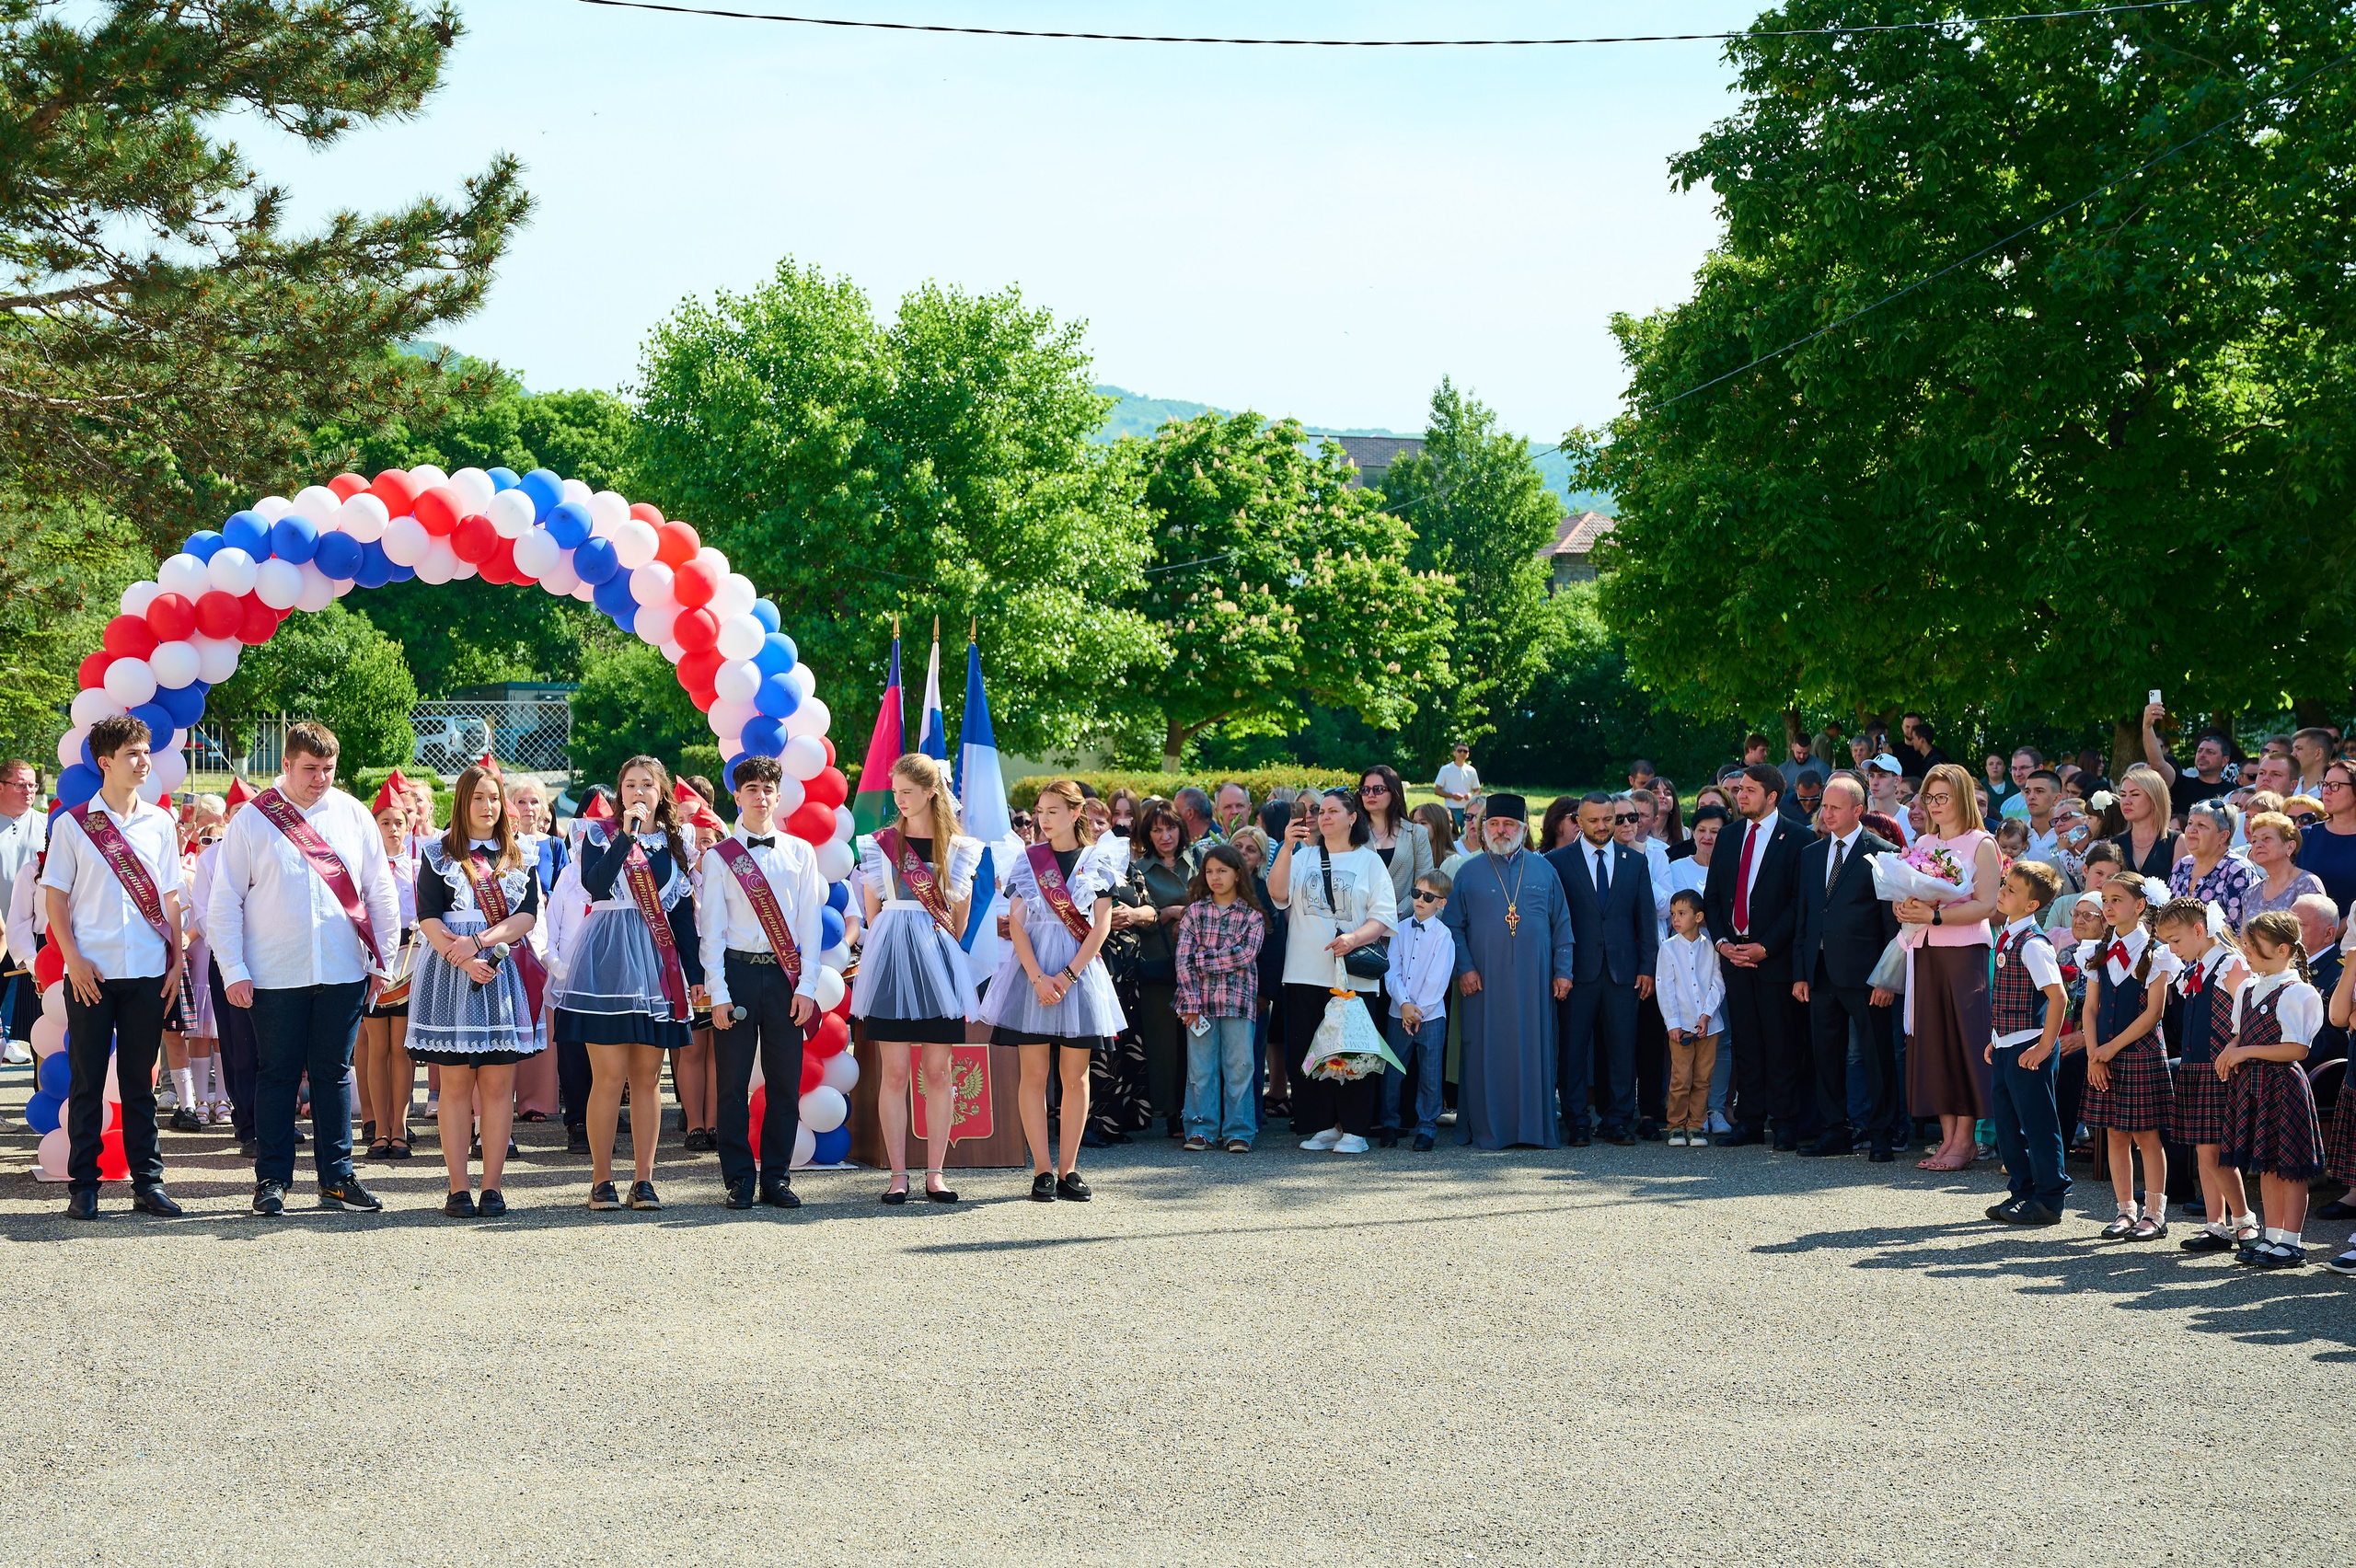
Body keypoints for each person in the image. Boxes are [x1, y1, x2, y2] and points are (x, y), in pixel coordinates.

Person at [209, 721, 399, 1216]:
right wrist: (233, 968)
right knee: (276, 1075)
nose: (320, 779)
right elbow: (225, 900)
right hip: (273, 972)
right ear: (286, 764)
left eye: (328, 769)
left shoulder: (354, 814)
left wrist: (383, 960)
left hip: (343, 969)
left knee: (333, 1075)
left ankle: (337, 1179)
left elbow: (379, 890)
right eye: (310, 768)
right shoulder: (253, 820)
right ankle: (272, 1179)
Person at [40, 717, 186, 1219]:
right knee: (86, 1081)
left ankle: (149, 1183)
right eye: (132, 754)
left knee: (140, 1082)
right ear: (104, 762)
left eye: (146, 752)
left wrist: (177, 959)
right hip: (91, 974)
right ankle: (83, 1185)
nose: (144, 762)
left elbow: (171, 896)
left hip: (147, 970)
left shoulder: (161, 823)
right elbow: (55, 899)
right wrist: (73, 960)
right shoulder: (72, 824)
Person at [546, 755, 703, 1213]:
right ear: (620, 792)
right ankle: (601, 1180)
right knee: (609, 1076)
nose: (638, 791)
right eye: (630, 784)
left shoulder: (677, 842)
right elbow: (596, 885)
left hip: (655, 964)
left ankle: (644, 1180)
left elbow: (681, 917)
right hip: (606, 960)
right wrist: (626, 837)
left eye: (647, 784)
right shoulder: (598, 834)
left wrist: (695, 976)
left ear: (661, 792)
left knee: (648, 1078)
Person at [408, 764, 543, 1218]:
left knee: (498, 1084)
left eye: (493, 797)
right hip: (450, 973)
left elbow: (527, 916)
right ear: (462, 802)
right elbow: (429, 916)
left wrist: (481, 943)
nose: (487, 806)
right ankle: (458, 1188)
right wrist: (463, 958)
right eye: (478, 798)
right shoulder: (438, 853)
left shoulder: (518, 854)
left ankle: (492, 1187)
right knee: (455, 1085)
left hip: (498, 969)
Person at [696, 754, 826, 1213]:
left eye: (768, 789)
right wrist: (718, 992)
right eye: (751, 789)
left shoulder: (801, 852)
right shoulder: (719, 857)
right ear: (737, 795)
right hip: (737, 974)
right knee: (731, 1085)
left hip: (786, 977)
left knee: (784, 1083)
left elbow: (810, 925)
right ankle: (738, 1180)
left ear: (779, 795)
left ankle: (776, 1178)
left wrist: (807, 985)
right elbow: (711, 931)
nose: (760, 797)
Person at [855, 753, 982, 1204]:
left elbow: (959, 923)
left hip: (938, 965)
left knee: (938, 1071)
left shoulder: (959, 849)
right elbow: (874, 914)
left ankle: (935, 1174)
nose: (900, 800)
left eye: (907, 792)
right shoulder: (879, 845)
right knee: (893, 1073)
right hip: (891, 962)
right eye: (896, 792)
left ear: (931, 791)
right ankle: (897, 1175)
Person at [990, 778, 1126, 1193]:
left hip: (1079, 973)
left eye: (1053, 812)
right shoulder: (1027, 860)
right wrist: (1037, 978)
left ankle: (1069, 1169)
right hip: (1032, 972)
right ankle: (1042, 1170)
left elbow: (1101, 926)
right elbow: (1017, 924)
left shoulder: (1098, 858)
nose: (1044, 820)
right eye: (1040, 812)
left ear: (1075, 812)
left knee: (1075, 1076)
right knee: (1033, 1074)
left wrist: (1067, 976)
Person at [1268, 786, 1401, 1153]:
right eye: (1319, 811)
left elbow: (1384, 916)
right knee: (1308, 1050)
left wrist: (1354, 939)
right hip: (1303, 972)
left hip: (1352, 976)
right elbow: (1277, 894)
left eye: (1331, 811)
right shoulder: (1303, 856)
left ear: (1352, 817)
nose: (1322, 817)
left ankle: (1355, 1130)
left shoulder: (1369, 862)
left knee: (1355, 1053)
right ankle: (1322, 1126)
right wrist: (1286, 847)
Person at [1439, 797, 1573, 1148]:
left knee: (1533, 1050)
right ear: (1483, 829)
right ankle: (1489, 1129)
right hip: (1483, 983)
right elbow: (1452, 926)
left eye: (1509, 824)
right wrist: (1465, 968)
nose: (1501, 830)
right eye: (1494, 823)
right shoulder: (1468, 872)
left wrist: (1563, 972)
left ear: (1523, 829)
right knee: (1484, 1051)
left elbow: (1562, 925)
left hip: (1535, 982)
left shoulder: (1544, 870)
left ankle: (1533, 1130)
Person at [1894, 763, 2004, 1172]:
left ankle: (1966, 1141)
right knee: (1934, 1043)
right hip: (1924, 951)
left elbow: (1987, 905)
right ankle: (1947, 1139)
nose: (1936, 805)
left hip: (1963, 952)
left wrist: (1936, 915)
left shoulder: (1982, 843)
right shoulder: (1923, 841)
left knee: (1963, 1043)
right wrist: (1903, 906)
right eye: (1930, 797)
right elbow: (1909, 891)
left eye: (1944, 797)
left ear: (1962, 798)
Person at [1791, 775, 1900, 1159]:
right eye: (1824, 806)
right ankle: (1834, 1131)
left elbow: (1892, 926)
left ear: (1858, 810)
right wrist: (1801, 973)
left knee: (1877, 1054)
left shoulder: (1884, 853)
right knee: (1826, 1054)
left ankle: (1882, 1134)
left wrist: (1887, 979)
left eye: (1835, 807)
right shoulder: (1811, 854)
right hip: (1820, 971)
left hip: (1867, 975)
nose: (1827, 813)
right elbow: (1805, 916)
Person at [1703, 765, 1808, 1149]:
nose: (1741, 795)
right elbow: (1713, 897)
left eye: (1749, 790)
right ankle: (1749, 1121)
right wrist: (1722, 943)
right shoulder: (1729, 836)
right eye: (1740, 789)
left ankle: (1784, 1123)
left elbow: (1798, 903)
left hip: (1773, 959)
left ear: (1772, 796)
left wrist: (1766, 947)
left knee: (1781, 1043)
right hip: (1734, 956)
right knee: (1745, 1042)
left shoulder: (1798, 838)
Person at [2217, 910, 2329, 1268]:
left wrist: (2244, 1051)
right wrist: (2231, 1048)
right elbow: (2240, 1033)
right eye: (2245, 944)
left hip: (2282, 1085)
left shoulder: (2298, 992)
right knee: (2266, 1164)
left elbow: (2296, 1049)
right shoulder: (2248, 987)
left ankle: (2292, 1243)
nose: (2246, 951)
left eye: (2254, 945)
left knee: (2290, 1168)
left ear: (2283, 949)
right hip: (2253, 1086)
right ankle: (2273, 1236)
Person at [1545, 792, 1657, 1147]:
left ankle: (1617, 1120)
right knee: (1573, 1050)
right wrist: (1557, 969)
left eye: (1609, 819)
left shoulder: (1634, 862)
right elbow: (1552, 921)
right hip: (1576, 973)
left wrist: (1647, 968)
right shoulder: (1557, 862)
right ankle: (1577, 1120)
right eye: (1593, 820)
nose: (1603, 826)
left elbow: (1646, 920)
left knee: (1622, 1050)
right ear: (1579, 822)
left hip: (1624, 973)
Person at [2151, 898, 2257, 1254]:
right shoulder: (2198, 967)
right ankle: (2217, 1225)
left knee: (2215, 1153)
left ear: (2199, 930)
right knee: (2203, 1150)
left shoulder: (2230, 964)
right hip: (2196, 1069)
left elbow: (2250, 1016)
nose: (2172, 949)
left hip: (2221, 1070)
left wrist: (2235, 1047)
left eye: (2175, 940)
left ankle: (2244, 1220)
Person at [2081, 874, 2178, 1240]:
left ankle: (2155, 1215)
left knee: (2146, 1136)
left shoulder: (2156, 952)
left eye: (2116, 900)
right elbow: (2090, 1008)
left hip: (2140, 1054)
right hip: (2104, 1054)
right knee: (2115, 1134)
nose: (2107, 906)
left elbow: (2154, 1013)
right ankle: (2125, 1210)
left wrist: (2110, 1048)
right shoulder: (2097, 951)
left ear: (2140, 906)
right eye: (2105, 899)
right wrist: (2093, 1054)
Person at [1979, 861, 2071, 1225]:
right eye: (2004, 884)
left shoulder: (2033, 944)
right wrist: (1995, 1038)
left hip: (2030, 1047)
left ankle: (2048, 1199)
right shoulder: (2007, 934)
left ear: (2032, 905)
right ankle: (2022, 1191)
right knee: (2007, 1124)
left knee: (2038, 1124)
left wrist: (2045, 1047)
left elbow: (2058, 997)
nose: (2002, 891)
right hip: (2007, 1045)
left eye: (2011, 890)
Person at [1173, 842, 1265, 1155]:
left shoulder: (1252, 916)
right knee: (1200, 1070)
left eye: (1222, 871)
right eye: (1209, 871)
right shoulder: (1194, 913)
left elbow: (1245, 955)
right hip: (1198, 1004)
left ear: (1238, 874)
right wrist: (1190, 1001)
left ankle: (1239, 1131)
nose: (1215, 877)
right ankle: (1201, 1129)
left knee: (1240, 1066)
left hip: (1238, 1003)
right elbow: (1182, 960)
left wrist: (1202, 958)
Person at [359, 777, 419, 1161]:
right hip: (374, 960)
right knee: (377, 1047)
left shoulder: (419, 867)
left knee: (402, 1048)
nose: (393, 829)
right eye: (385, 823)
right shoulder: (363, 868)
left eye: (399, 822)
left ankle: (400, 1127)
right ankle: (379, 1128)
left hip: (411, 961)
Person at [1127, 797, 1193, 1136]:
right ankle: (1170, 1111)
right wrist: (1166, 914)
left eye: (1170, 828)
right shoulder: (1139, 869)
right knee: (1164, 1041)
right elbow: (1135, 915)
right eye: (1156, 830)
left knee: (1197, 1040)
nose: (1165, 836)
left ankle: (1198, 1109)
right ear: (1147, 835)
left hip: (1200, 964)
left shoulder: (1198, 861)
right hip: (1158, 963)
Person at [1380, 870, 1452, 1151]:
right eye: (1416, 893)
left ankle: (1427, 1127)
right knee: (1392, 1071)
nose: (1420, 900)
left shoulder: (1443, 936)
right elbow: (1392, 970)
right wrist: (1404, 1004)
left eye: (1428, 897)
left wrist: (1418, 1010)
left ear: (1441, 903)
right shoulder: (1399, 929)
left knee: (1430, 1075)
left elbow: (1438, 979)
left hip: (1430, 1016)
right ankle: (1389, 1124)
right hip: (1398, 1012)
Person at [1655, 889, 1723, 1147]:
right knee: (1680, 1078)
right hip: (1681, 1027)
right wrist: (1672, 1023)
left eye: (1682, 913)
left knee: (1703, 1078)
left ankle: (1696, 1125)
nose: (1675, 919)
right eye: (1673, 913)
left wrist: (1706, 1015)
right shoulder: (1668, 948)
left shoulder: (1711, 947)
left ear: (1698, 917)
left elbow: (1718, 983)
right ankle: (1675, 1125)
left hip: (1709, 1026)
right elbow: (1665, 987)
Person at [0, 758, 45, 1063]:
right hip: (0, 931)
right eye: (20, 784)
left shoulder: (47, 825)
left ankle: (12, 1043)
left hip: (33, 938)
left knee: (34, 1017)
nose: (28, 790)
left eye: (32, 784)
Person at [2168, 799, 2255, 930]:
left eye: (2201, 825)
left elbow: (2244, 930)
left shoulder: (2237, 870)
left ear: (2223, 836)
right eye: (2190, 823)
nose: (2191, 830)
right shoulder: (2182, 866)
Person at [2302, 759, 2356, 917]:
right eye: (2324, 785)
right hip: (2307, 929)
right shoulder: (2307, 836)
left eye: (2335, 786)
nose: (2326, 791)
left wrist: (2339, 928)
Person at [2108, 764, 2178, 881]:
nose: (2126, 801)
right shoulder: (2113, 845)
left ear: (2155, 798)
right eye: (2123, 795)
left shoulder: (2177, 842)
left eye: (2135, 794)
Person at [1435, 744, 1480, 828]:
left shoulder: (1471, 771)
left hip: (1467, 810)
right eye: (1459, 751)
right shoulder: (1445, 769)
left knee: (1467, 835)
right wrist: (1452, 796)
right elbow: (1437, 790)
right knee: (1451, 835)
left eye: (1465, 751)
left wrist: (1471, 796)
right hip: (1451, 810)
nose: (1462, 753)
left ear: (1468, 754)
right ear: (1454, 753)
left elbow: (1477, 790)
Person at [2294, 726, 2335, 796]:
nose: (2293, 754)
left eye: (2299, 749)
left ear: (2318, 753)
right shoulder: (2291, 786)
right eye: (2293, 749)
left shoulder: (2333, 790)